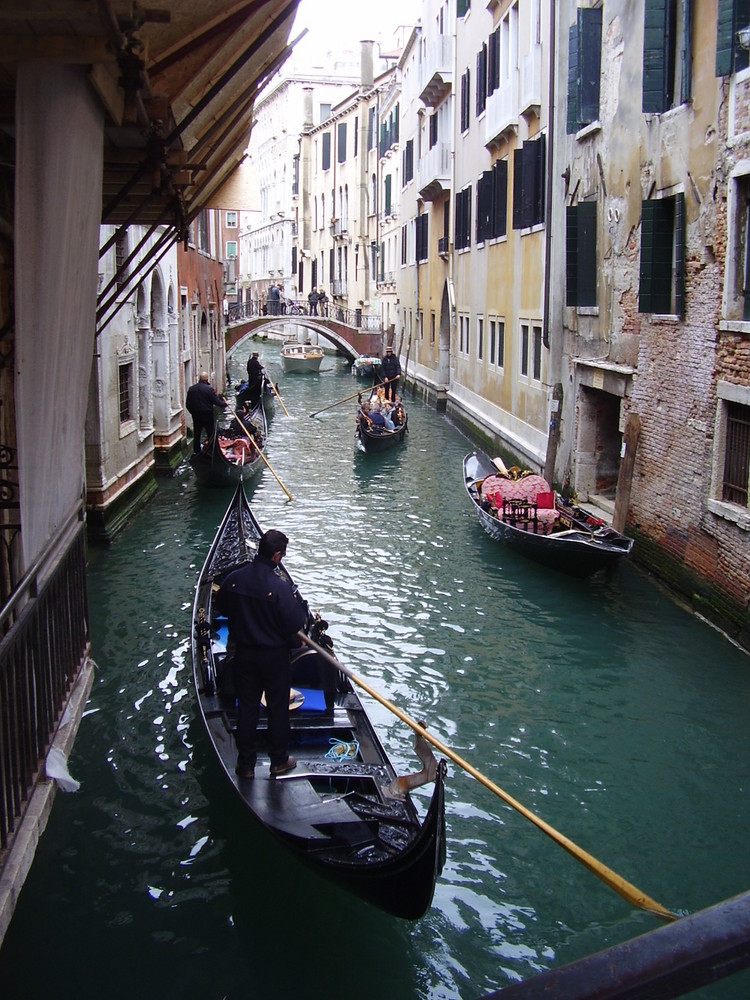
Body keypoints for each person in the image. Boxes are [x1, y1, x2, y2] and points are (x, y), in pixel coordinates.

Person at [216, 530, 308, 779]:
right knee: (277, 709)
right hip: (273, 659)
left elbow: (222, 606)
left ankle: (245, 766)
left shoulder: (233, 580)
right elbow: (294, 625)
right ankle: (278, 761)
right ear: (277, 556)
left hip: (243, 656)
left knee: (247, 709)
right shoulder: (279, 589)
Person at [185, 372, 227, 453]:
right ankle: (212, 450)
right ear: (207, 379)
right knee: (210, 433)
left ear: (199, 379)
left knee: (197, 434)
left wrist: (193, 412)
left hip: (196, 415)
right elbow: (216, 402)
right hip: (207, 415)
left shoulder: (191, 389)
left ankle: (197, 451)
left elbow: (188, 404)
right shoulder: (209, 389)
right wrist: (225, 404)